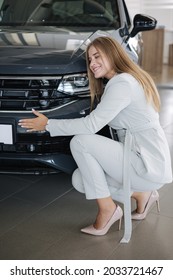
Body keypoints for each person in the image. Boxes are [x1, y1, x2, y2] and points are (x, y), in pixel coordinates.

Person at [18, 36, 172, 236]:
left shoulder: (122, 83)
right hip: (139, 158)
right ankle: (142, 195)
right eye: (90, 60)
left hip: (146, 163)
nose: (92, 64)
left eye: (97, 56)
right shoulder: (122, 80)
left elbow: (91, 125)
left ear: (113, 54)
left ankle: (108, 209)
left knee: (81, 142)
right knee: (80, 179)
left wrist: (48, 124)